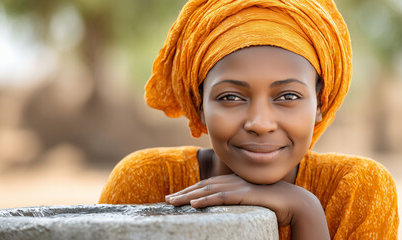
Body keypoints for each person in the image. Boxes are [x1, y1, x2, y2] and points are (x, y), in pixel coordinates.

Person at [98, 0, 399, 239]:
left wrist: (306, 211)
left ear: (320, 103)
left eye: (288, 97)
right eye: (231, 97)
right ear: (199, 104)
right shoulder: (147, 183)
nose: (260, 122)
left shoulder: (357, 189)